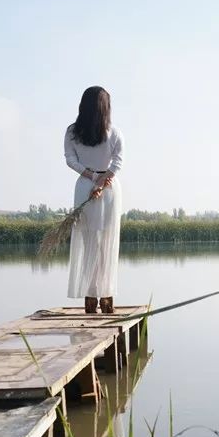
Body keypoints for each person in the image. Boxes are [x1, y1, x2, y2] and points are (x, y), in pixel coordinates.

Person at [64, 86, 124, 314]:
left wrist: (91, 177)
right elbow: (117, 163)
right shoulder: (115, 132)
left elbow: (70, 160)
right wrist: (102, 181)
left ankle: (91, 297)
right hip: (108, 189)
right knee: (107, 242)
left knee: (90, 242)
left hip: (85, 186)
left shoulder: (72, 132)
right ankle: (106, 297)